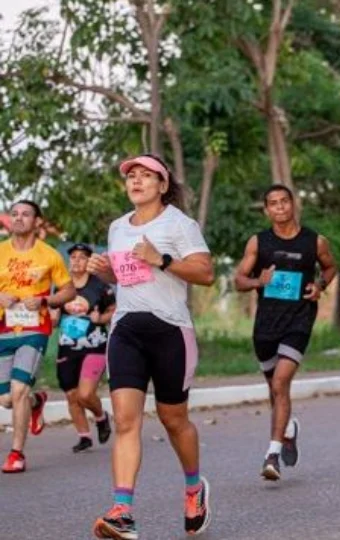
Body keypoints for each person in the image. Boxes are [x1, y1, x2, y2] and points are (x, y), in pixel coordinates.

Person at [88, 153, 214, 539]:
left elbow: (205, 272)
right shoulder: (117, 228)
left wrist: (161, 259)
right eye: (132, 176)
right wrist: (107, 271)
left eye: (146, 175)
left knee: (174, 419)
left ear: (163, 185)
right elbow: (128, 277)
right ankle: (122, 510)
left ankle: (194, 489)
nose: (137, 181)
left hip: (170, 331)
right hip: (126, 330)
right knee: (127, 420)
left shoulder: (180, 223)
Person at [233, 185, 338, 481]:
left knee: (281, 383)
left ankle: (272, 454)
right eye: (273, 204)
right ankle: (288, 428)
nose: (279, 207)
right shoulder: (259, 242)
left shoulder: (315, 241)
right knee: (275, 389)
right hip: (266, 324)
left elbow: (331, 268)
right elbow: (239, 280)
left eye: (284, 202)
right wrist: (258, 281)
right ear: (267, 210)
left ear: (293, 205)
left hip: (299, 321)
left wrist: (320, 286)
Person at [0, 200, 76, 473]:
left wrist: (46, 300)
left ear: (36, 222)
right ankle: (36, 402)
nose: (19, 219)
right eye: (15, 214)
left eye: (26, 214)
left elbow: (69, 291)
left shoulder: (49, 255)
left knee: (19, 390)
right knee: (7, 399)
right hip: (3, 330)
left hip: (35, 329)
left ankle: (16, 454)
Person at [53, 243, 114, 453]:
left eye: (82, 257)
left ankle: (101, 417)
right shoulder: (62, 286)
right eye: (74, 257)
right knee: (71, 395)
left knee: (85, 394)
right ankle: (84, 436)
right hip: (67, 346)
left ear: (89, 261)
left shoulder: (99, 286)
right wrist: (52, 315)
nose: (77, 261)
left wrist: (101, 318)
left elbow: (114, 310)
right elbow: (55, 314)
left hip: (94, 345)